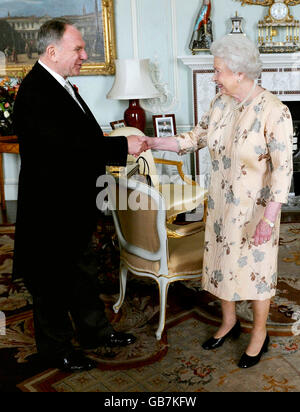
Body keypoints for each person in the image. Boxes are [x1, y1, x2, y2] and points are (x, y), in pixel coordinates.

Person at [140, 34, 293, 368]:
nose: (214, 76)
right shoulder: (220, 103)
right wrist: (153, 142)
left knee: (256, 271)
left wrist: (269, 218)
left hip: (257, 210)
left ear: (239, 72)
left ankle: (259, 333)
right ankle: (228, 321)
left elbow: (283, 171)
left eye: (219, 70)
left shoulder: (275, 112)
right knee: (223, 266)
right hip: (222, 205)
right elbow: (195, 138)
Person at [12, 18, 147, 373]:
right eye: (78, 49)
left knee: (81, 273)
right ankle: (56, 351)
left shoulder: (60, 84)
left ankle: (95, 332)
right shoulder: (35, 92)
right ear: (52, 51)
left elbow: (78, 135)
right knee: (51, 284)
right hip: (50, 210)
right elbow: (69, 148)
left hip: (73, 206)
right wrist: (123, 145)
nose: (85, 55)